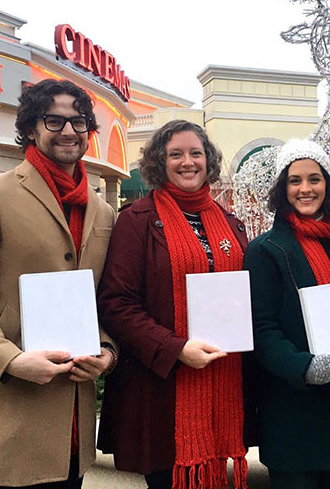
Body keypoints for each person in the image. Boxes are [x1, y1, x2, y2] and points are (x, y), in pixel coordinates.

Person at [97, 119, 249, 489]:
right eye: (175, 154)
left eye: (196, 153)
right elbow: (116, 303)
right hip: (161, 389)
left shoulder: (231, 223)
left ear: (208, 159)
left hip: (222, 384)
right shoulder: (136, 221)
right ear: (159, 162)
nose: (187, 162)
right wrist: (175, 348)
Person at [0, 79, 117, 488]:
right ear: (31, 128)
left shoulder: (102, 210)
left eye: (78, 122)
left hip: (73, 432)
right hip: (10, 417)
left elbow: (104, 299)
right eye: (54, 120)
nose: (68, 131)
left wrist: (107, 351)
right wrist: (9, 360)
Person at [244, 139, 330, 489]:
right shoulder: (265, 250)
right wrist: (303, 367)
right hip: (294, 411)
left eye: (314, 179)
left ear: (327, 184)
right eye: (295, 180)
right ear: (283, 188)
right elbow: (261, 328)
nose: (305, 189)